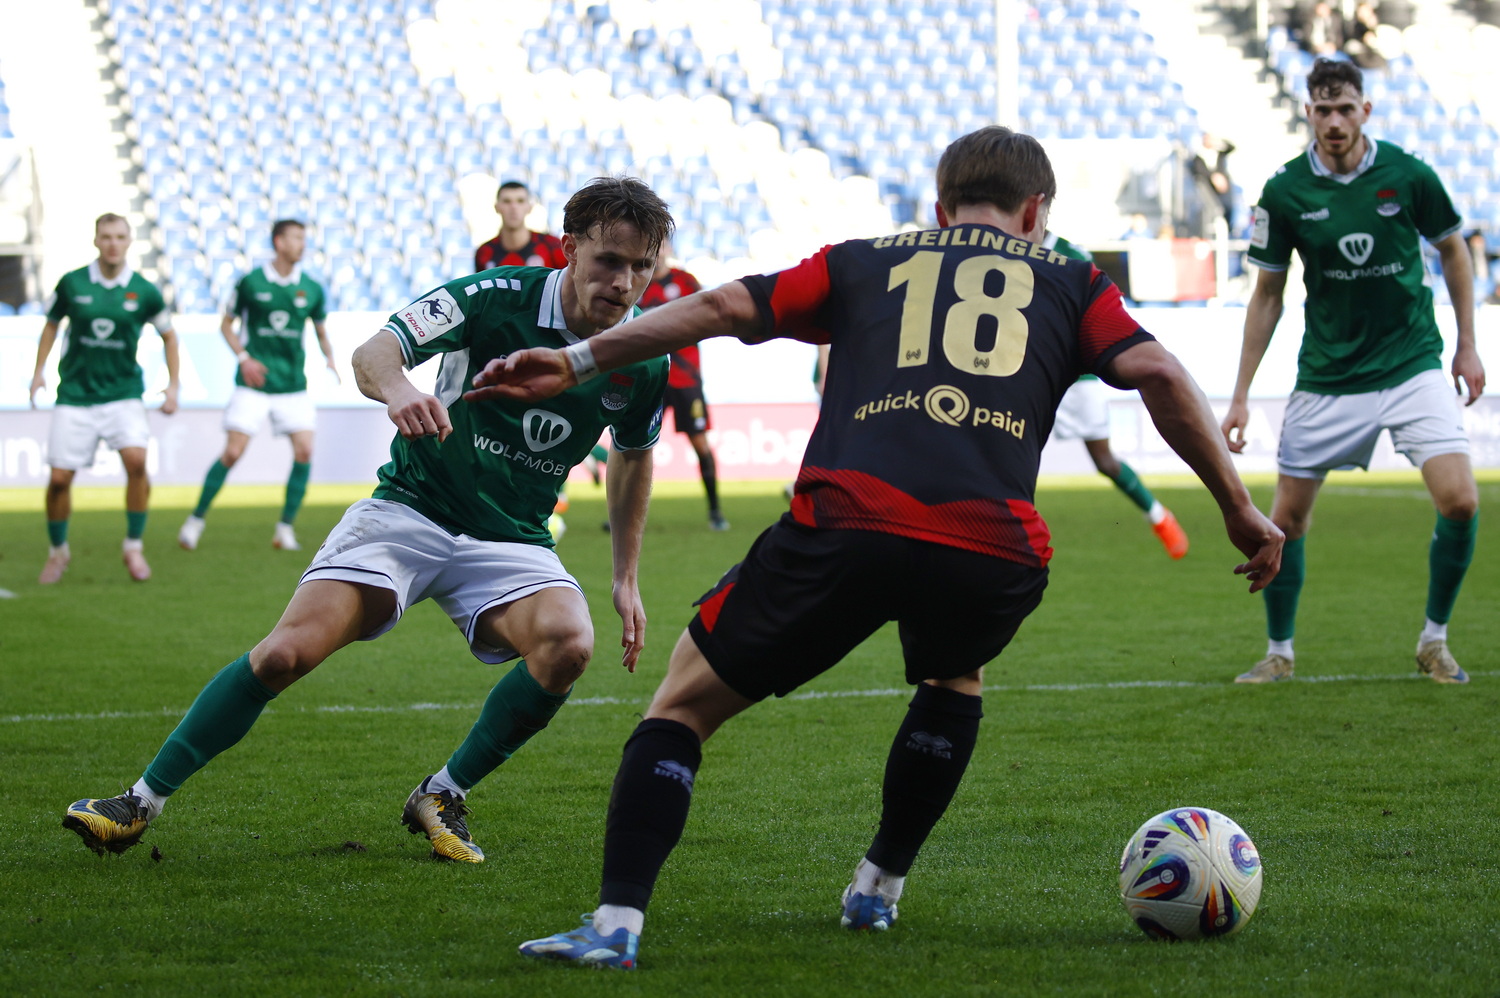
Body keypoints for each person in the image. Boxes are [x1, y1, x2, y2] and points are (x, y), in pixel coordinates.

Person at [468, 126, 1283, 968]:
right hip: (993, 548)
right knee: (953, 677)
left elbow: (718, 309)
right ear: (1035, 211)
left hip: (848, 523)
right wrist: (1238, 508)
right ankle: (878, 889)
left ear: (939, 208)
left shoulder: (863, 261)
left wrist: (578, 361)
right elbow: (1160, 373)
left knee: (680, 708)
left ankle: (616, 928)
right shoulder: (1074, 282)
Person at [62, 178, 674, 863]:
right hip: (411, 509)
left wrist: (625, 576)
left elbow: (633, 457)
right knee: (285, 653)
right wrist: (400, 388)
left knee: (569, 644)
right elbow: (373, 353)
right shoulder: (493, 295)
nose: (624, 283)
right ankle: (139, 802)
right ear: (569, 249)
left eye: (641, 267)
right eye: (609, 261)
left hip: (512, 537)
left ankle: (442, 793)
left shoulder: (646, 355)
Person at [1222, 58, 1484, 685]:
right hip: (1328, 375)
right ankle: (1279, 653)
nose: (1335, 122)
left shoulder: (1409, 174)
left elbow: (1453, 249)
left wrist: (1467, 345)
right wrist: (1240, 395)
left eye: (1345, 109)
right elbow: (1267, 295)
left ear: (1365, 110)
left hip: (1412, 363)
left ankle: (1434, 642)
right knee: (1285, 523)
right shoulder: (1284, 191)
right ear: (1308, 114)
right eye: (1324, 110)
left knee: (1461, 501)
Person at [28, 213, 180, 584]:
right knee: (60, 479)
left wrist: (173, 384)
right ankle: (57, 552)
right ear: (96, 241)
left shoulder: (144, 290)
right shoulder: (73, 283)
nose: (113, 243)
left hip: (123, 393)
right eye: (107, 237)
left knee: (136, 461)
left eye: (120, 237)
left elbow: (169, 336)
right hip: (75, 394)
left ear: (129, 242)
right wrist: (39, 371)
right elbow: (51, 325)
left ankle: (133, 547)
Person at [178, 219, 336, 552]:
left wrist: (330, 357)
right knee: (233, 452)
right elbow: (226, 325)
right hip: (253, 384)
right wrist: (244, 358)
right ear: (279, 242)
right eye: (296, 238)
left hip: (292, 385)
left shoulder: (311, 287)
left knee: (305, 451)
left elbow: (321, 330)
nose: (302, 244)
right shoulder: (250, 283)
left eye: (303, 238)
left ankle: (285, 529)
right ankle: (195, 520)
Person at [1042, 231, 1189, 559]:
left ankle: (1158, 515)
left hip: (1076, 379)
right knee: (1008, 453)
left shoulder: (1071, 255)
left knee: (1104, 460)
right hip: (1027, 372)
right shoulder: (1005, 248)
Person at [638, 241, 728, 530]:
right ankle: (623, 516)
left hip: (685, 378)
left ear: (668, 249)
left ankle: (715, 511)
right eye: (651, 246)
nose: (657, 252)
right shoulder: (636, 282)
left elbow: (708, 319)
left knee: (700, 443)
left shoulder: (685, 281)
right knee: (635, 446)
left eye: (661, 246)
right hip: (650, 378)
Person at [473, 180, 568, 272]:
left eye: (520, 201)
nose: (513, 207)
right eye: (507, 201)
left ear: (529, 207)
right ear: (497, 207)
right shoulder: (484, 252)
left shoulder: (553, 246)